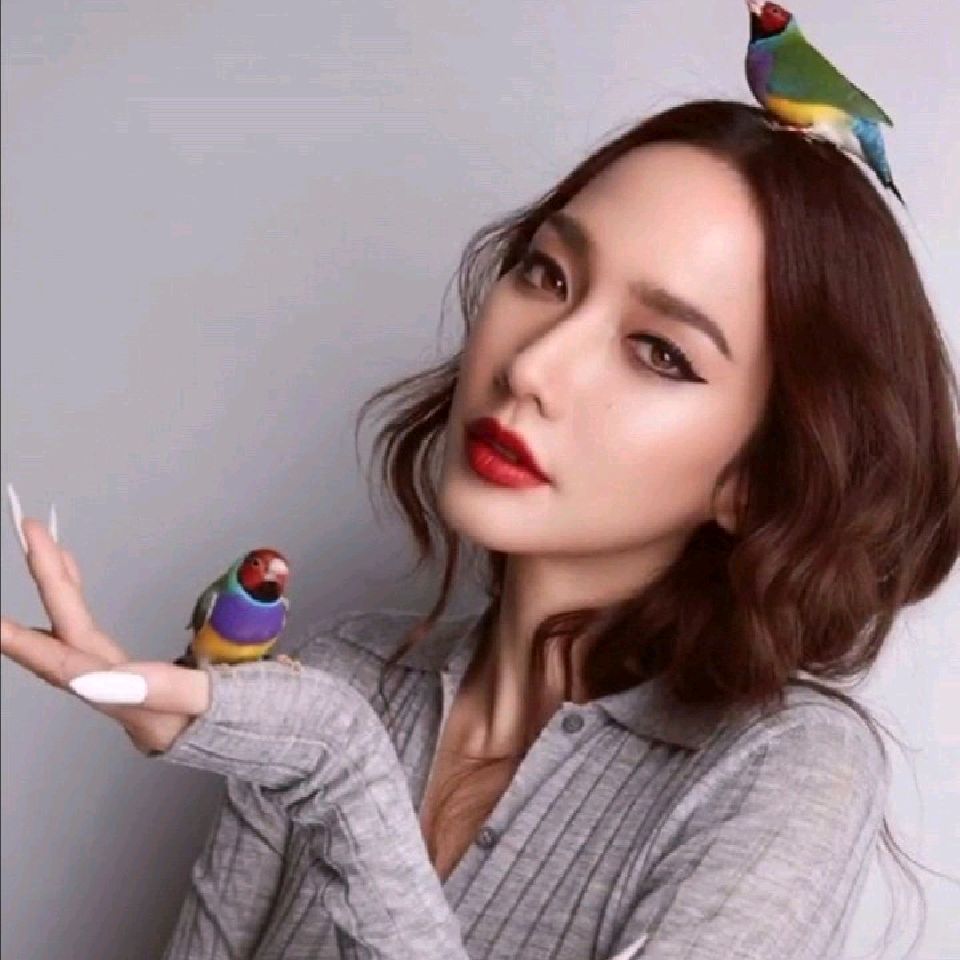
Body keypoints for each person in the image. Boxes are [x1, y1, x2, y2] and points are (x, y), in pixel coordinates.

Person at [2, 98, 958, 960]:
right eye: (548, 273)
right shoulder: (343, 676)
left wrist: (338, 766)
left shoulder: (781, 770)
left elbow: (333, 755)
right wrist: (324, 733)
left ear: (757, 477)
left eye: (660, 352)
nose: (532, 365)